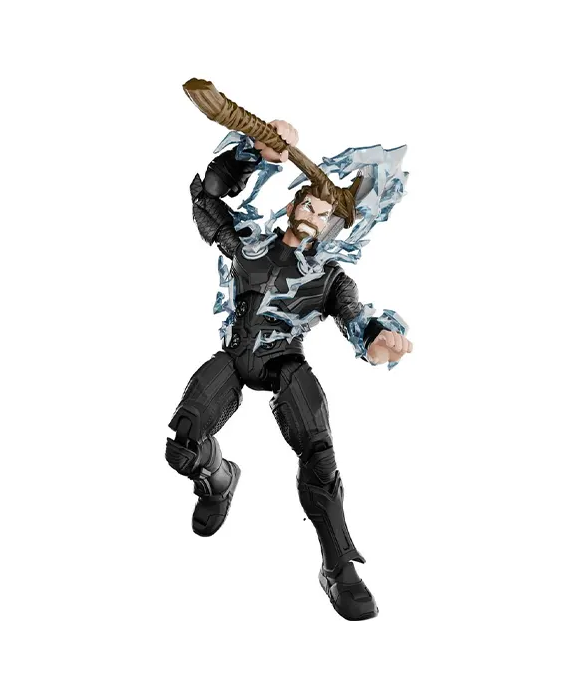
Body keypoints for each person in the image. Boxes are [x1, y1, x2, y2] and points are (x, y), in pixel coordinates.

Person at [165, 121, 412, 621]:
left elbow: (355, 318)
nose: (315, 219)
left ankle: (338, 565)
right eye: (310, 206)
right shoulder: (249, 246)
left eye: (326, 215)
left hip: (285, 364)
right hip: (235, 357)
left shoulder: (330, 278)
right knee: (183, 445)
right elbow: (206, 200)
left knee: (319, 454)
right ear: (295, 203)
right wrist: (253, 154)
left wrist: (378, 338)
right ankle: (218, 480)